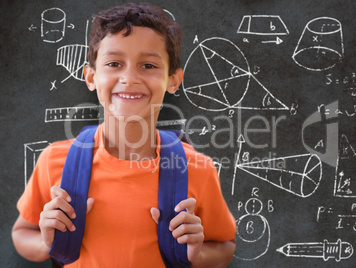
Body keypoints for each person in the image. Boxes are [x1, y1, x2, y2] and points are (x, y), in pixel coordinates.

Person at [11, 2, 236, 267]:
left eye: (149, 65)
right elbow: (21, 232)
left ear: (173, 80)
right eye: (115, 63)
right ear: (91, 77)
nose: (129, 78)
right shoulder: (54, 160)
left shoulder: (198, 168)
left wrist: (198, 254)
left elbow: (224, 245)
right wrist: (45, 243)